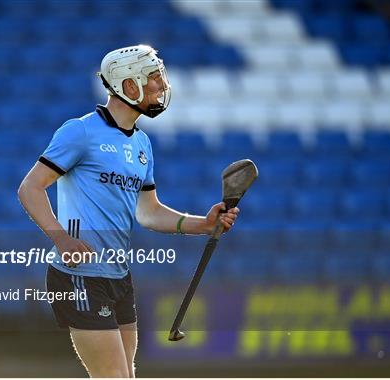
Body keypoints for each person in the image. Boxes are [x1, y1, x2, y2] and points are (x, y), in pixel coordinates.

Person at [18, 45, 240, 378]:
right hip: (81, 276)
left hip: (118, 276)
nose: (161, 85)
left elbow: (149, 212)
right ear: (129, 85)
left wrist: (203, 224)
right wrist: (62, 239)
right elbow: (30, 188)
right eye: (152, 77)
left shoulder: (141, 145)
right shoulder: (79, 132)